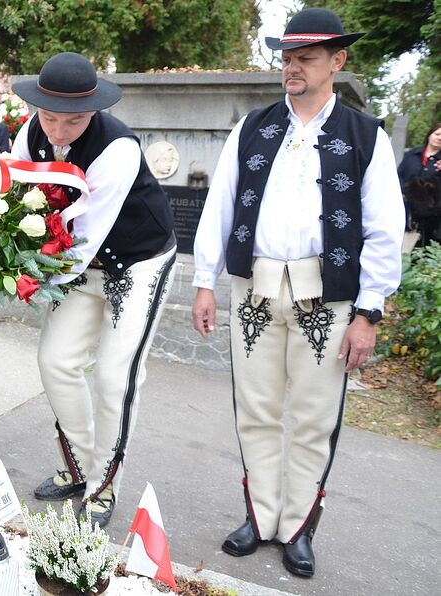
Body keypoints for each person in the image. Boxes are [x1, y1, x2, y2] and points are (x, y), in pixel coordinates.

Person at [191, 8, 404, 578]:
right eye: (287, 57)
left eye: (306, 58)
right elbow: (220, 206)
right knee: (255, 410)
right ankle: (260, 519)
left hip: (328, 294)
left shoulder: (366, 136)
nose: (292, 67)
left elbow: (384, 228)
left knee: (313, 417)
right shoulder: (253, 127)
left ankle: (298, 526)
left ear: (338, 62)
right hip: (254, 286)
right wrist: (204, 282)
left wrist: (369, 312)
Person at [11, 52, 177, 528]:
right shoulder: (30, 134)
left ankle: (104, 486)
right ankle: (80, 467)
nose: (59, 133)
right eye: (49, 118)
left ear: (95, 110)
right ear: (36, 107)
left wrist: (31, 280)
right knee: (55, 361)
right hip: (77, 262)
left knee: (114, 377)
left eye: (75, 121)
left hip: (136, 262)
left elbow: (84, 238)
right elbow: (15, 200)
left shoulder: (118, 147)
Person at [398, 123, 441, 245]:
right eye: (437, 134)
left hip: (430, 216)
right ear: (429, 135)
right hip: (405, 207)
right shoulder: (412, 154)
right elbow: (398, 174)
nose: (439, 138)